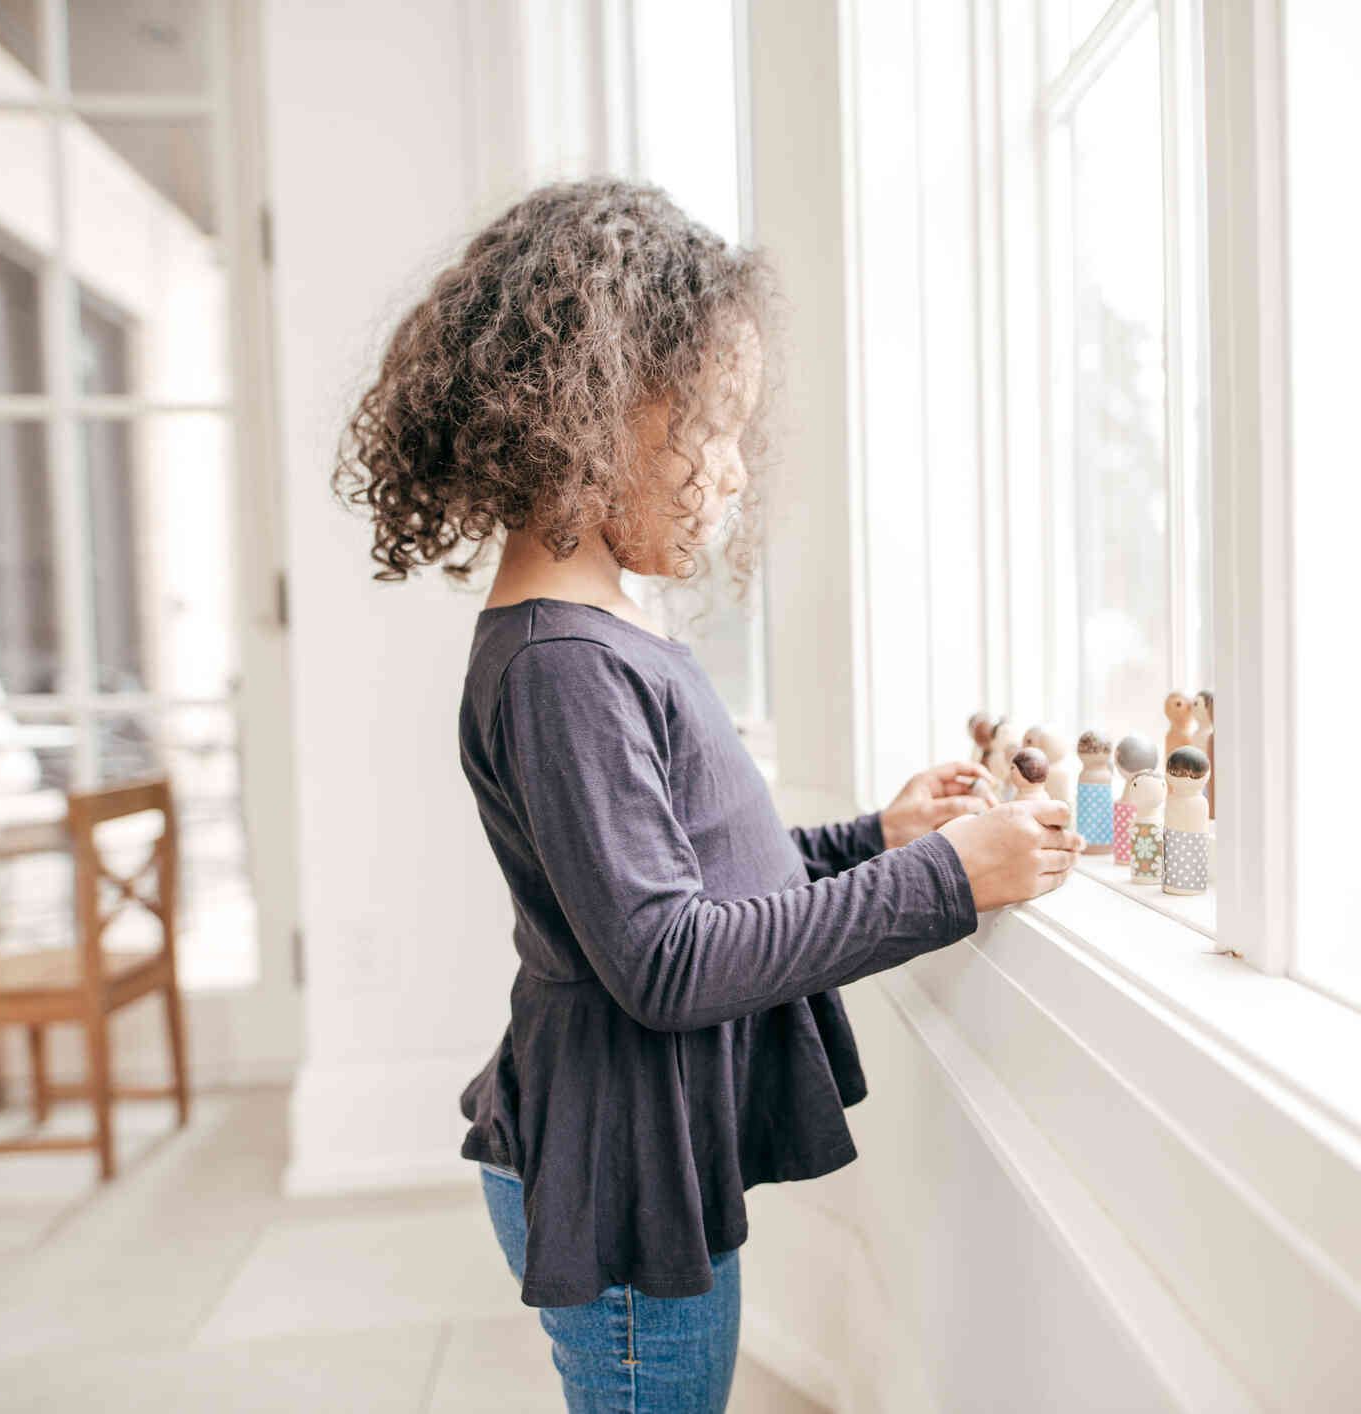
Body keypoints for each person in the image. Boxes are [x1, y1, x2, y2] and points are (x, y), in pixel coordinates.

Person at [332, 176, 1082, 1413]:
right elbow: (668, 956)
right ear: (595, 408)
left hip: (639, 1158)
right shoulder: (562, 664)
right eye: (713, 427)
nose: (733, 473)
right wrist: (943, 879)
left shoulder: (596, 634)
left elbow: (680, 871)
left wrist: (873, 839)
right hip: (617, 1188)